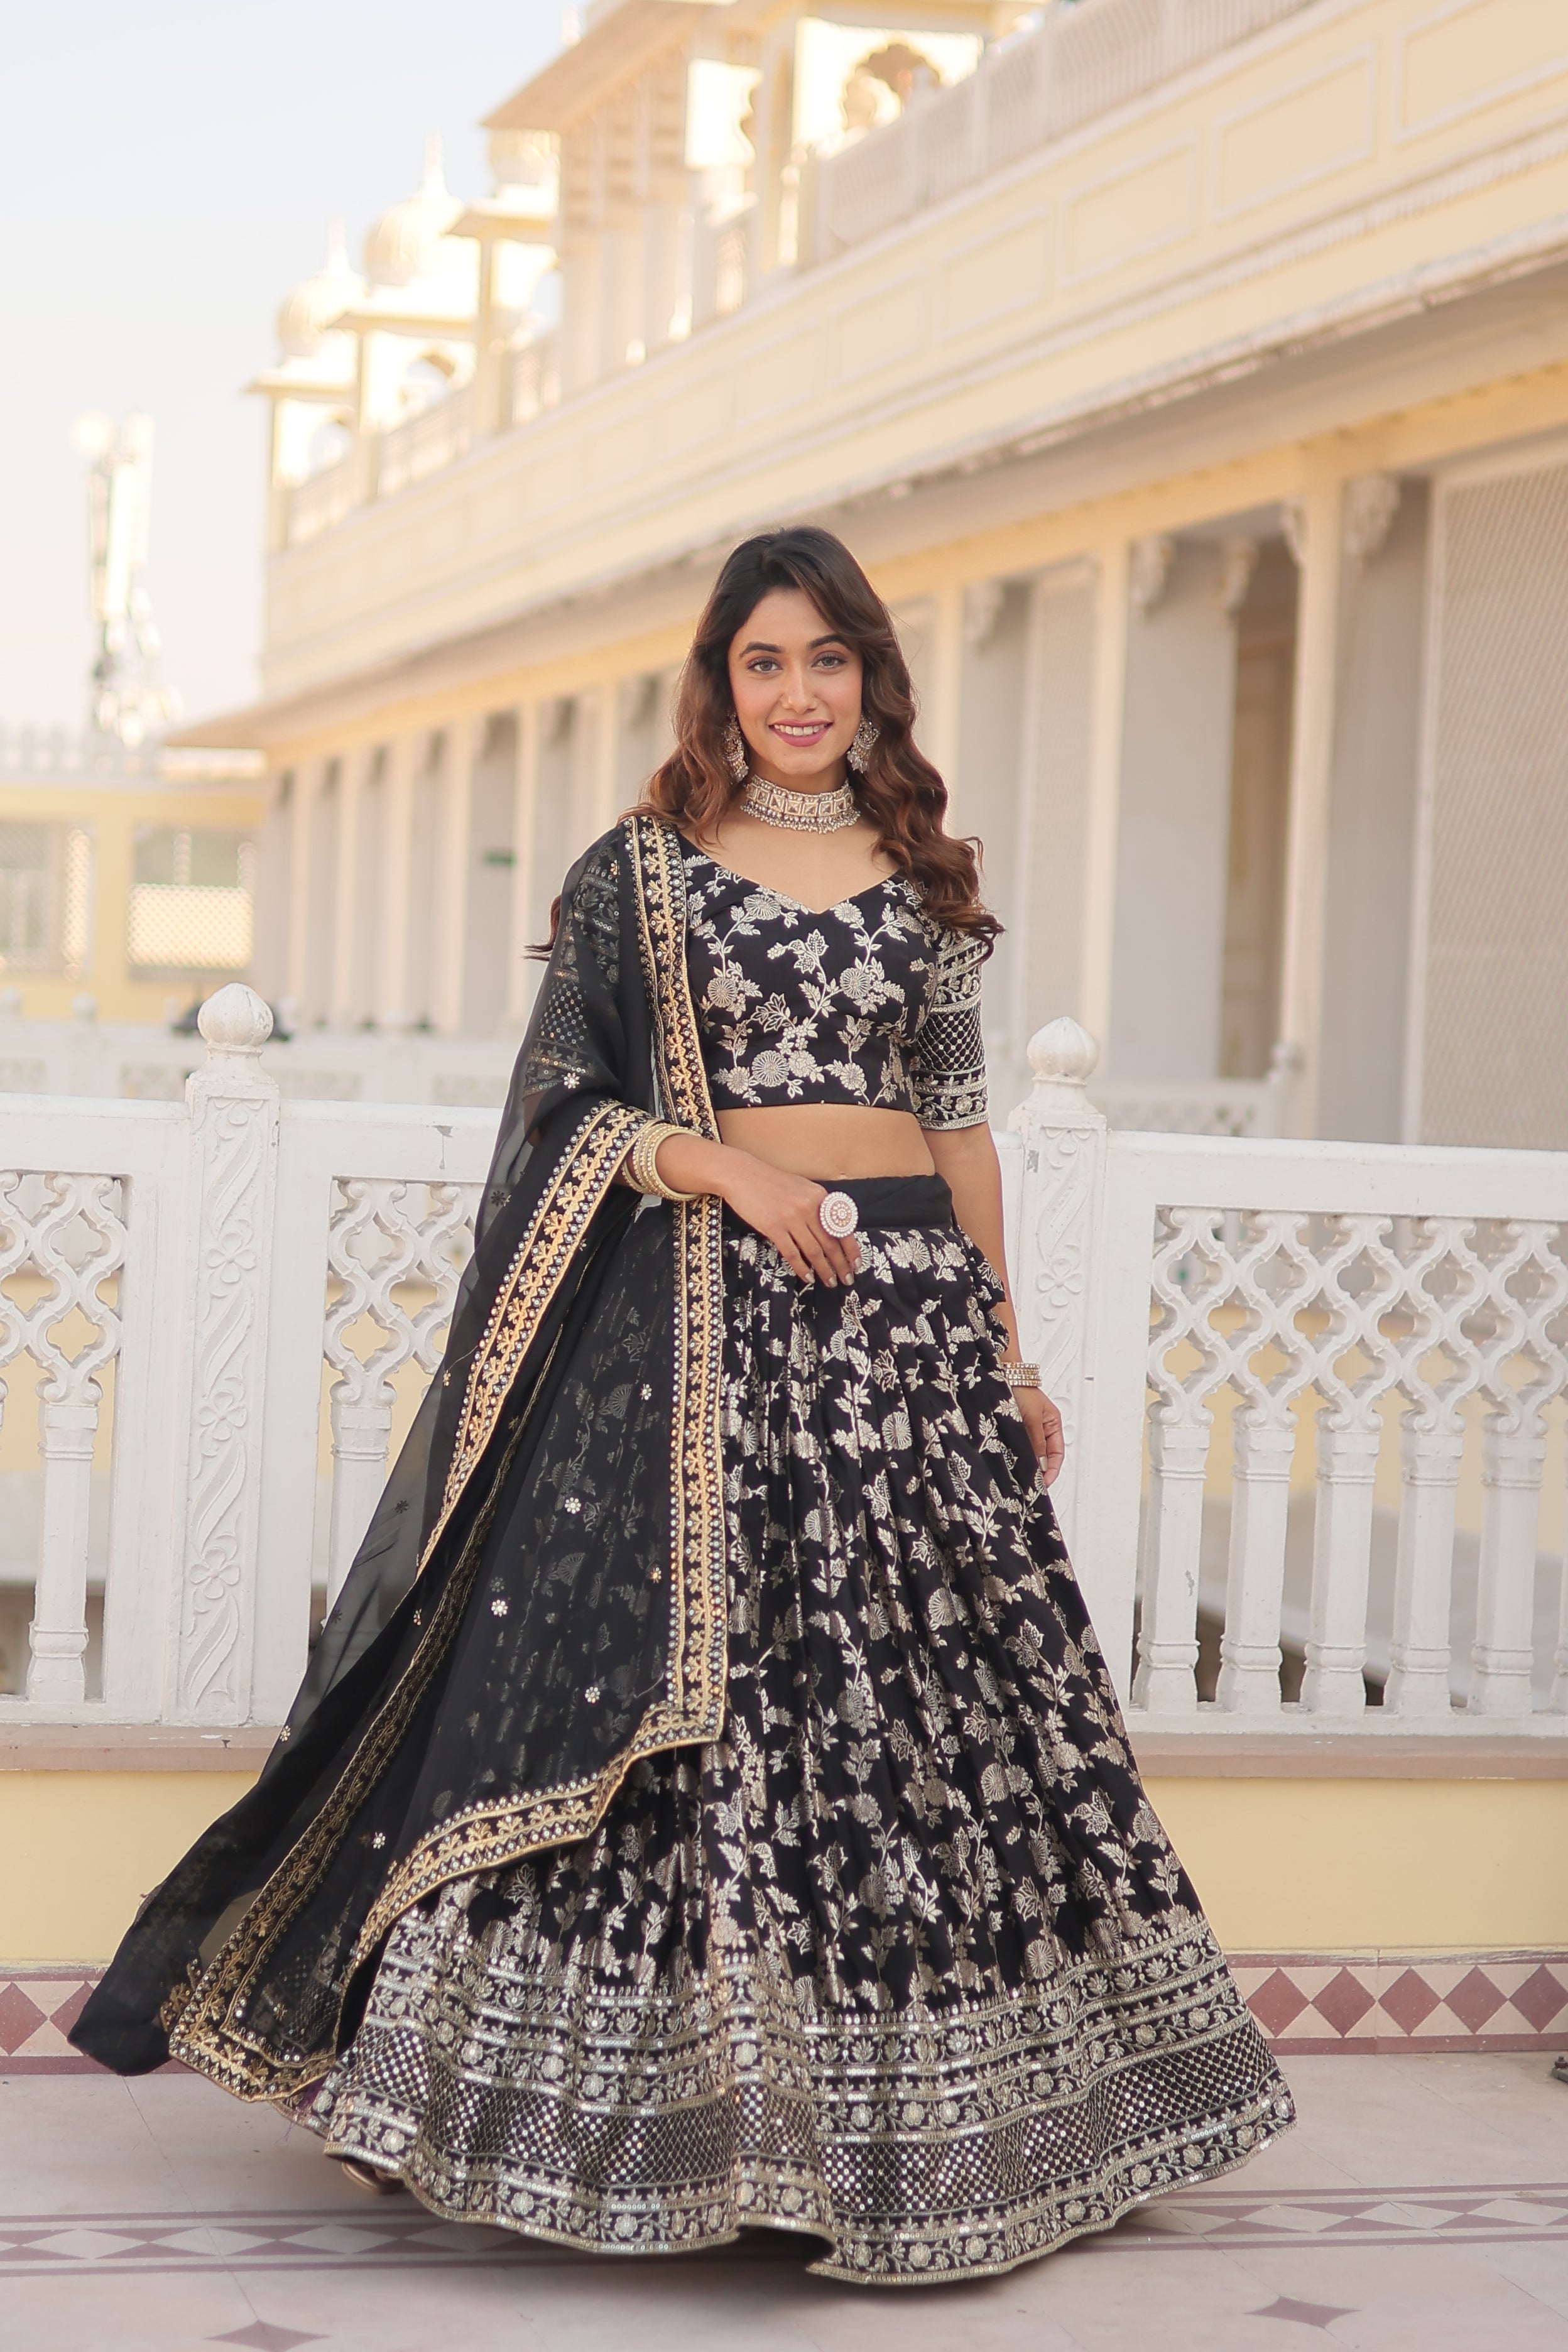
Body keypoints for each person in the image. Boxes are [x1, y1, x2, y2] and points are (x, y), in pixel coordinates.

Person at [74, 525, 1292, 2282]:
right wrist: (723, 1170)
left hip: (907, 1326)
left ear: (872, 678)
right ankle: (626, 2123)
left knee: (920, 1715)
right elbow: (557, 1106)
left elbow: (958, 1129)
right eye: (763, 663)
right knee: (691, 1710)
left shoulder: (926, 878)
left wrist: (1004, 1351)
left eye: (827, 660)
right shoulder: (641, 872)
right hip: (706, 1328)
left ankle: (940, 2131)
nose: (798, 694)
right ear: (721, 686)